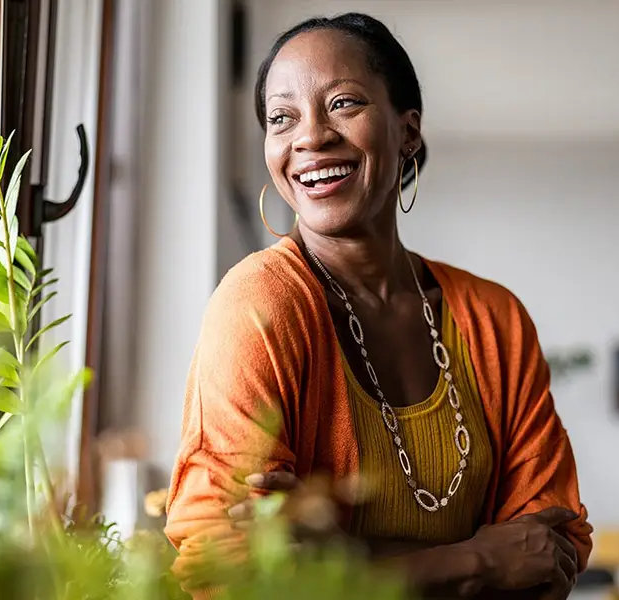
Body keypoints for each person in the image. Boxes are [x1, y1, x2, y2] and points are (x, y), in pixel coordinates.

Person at [165, 12, 592, 599]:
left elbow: (551, 551)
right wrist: (476, 560)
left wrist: (339, 558)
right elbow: (227, 569)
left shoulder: (496, 319)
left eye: (343, 103)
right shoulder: (259, 305)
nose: (310, 137)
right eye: (281, 118)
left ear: (408, 130)